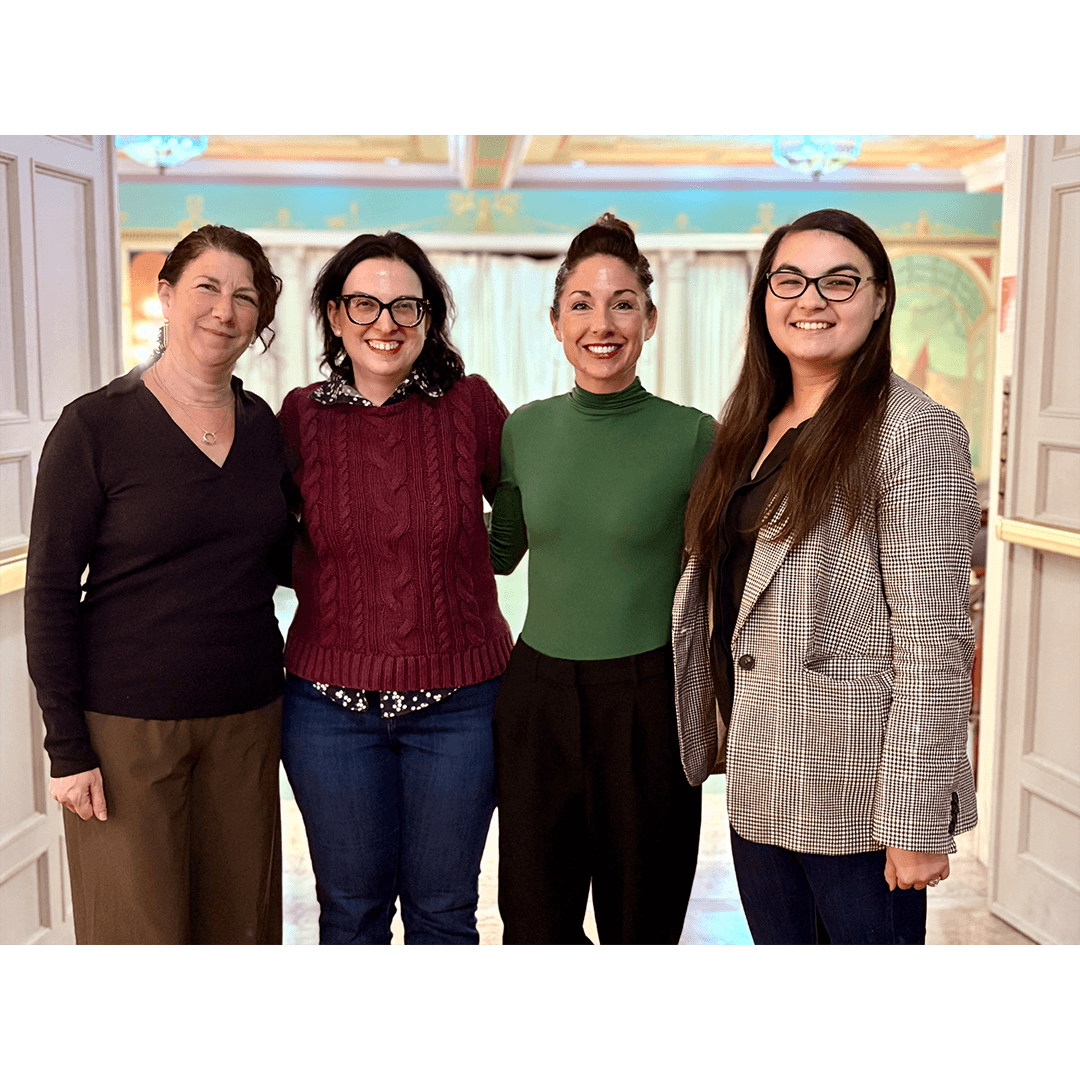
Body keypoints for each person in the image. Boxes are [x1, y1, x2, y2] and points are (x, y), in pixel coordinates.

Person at [677, 208, 979, 945]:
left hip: (857, 799)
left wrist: (914, 817)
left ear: (880, 299)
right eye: (791, 280)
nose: (812, 299)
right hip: (761, 780)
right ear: (765, 299)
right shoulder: (753, 421)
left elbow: (934, 642)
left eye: (840, 282)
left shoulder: (914, 430)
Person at [25, 224, 290, 945]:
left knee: (244, 924)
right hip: (125, 731)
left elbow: (289, 560)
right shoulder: (94, 426)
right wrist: (67, 748)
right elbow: (49, 591)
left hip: (248, 718)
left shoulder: (265, 427)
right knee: (137, 929)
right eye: (207, 287)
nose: (225, 310)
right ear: (166, 294)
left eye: (245, 297)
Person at [279, 232, 511, 945]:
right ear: (335, 316)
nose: (386, 323)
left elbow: (537, 511)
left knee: (445, 914)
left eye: (406, 306)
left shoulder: (470, 406)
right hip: (329, 713)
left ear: (430, 319)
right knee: (351, 914)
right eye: (365, 304)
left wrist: (486, 558)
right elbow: (256, 535)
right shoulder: (298, 415)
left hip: (462, 708)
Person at [490, 214, 714, 944]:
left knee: (641, 920)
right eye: (581, 303)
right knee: (533, 920)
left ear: (649, 319)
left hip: (649, 702)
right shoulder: (522, 429)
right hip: (536, 699)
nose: (602, 321)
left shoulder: (694, 436)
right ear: (555, 322)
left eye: (623, 302)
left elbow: (723, 572)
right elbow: (499, 553)